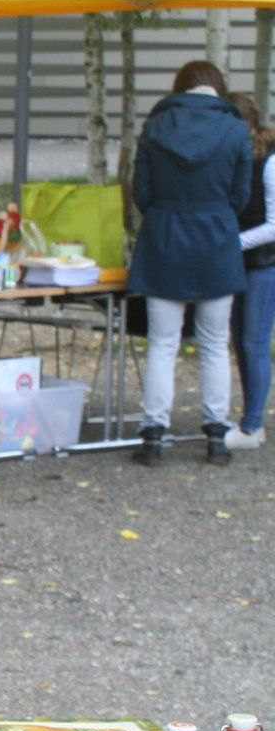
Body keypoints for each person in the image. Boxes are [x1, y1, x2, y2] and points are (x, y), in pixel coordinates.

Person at [127, 59, 253, 466]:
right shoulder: (235, 129)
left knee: (163, 343)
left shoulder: (156, 126)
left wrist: (166, 212)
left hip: (164, 237)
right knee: (214, 342)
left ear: (178, 87)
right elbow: (241, 195)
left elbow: (141, 192)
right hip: (216, 238)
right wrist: (215, 213)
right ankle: (216, 436)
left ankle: (153, 436)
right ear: (218, 89)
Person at [226, 93, 275, 450]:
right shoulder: (235, 159)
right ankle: (250, 421)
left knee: (254, 343)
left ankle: (253, 424)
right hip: (240, 263)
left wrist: (231, 243)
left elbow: (274, 225)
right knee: (241, 342)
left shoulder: (270, 162)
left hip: (265, 265)